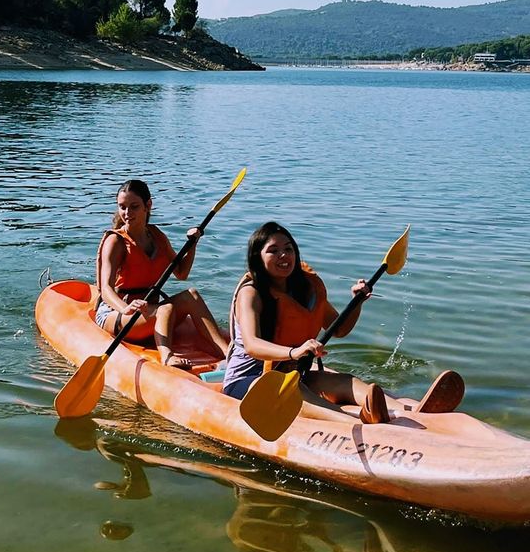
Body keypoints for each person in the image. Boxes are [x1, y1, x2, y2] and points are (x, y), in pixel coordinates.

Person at [222, 221, 464, 424]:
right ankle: (360, 422)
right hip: (249, 381)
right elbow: (253, 345)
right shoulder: (251, 293)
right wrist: (295, 352)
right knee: (297, 392)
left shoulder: (304, 289)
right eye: (273, 251)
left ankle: (411, 413)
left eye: (289, 249)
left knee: (344, 382)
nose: (284, 256)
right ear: (257, 257)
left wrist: (357, 302)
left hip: (293, 373)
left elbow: (339, 330)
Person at [95, 179, 229, 367]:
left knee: (192, 295)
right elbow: (106, 290)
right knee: (165, 309)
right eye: (122, 207)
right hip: (116, 313)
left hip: (148, 310)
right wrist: (125, 308)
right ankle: (167, 356)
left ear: (148, 205)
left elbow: (181, 273)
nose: (127, 213)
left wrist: (192, 244)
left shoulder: (157, 236)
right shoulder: (116, 242)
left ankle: (226, 352)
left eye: (134, 207)